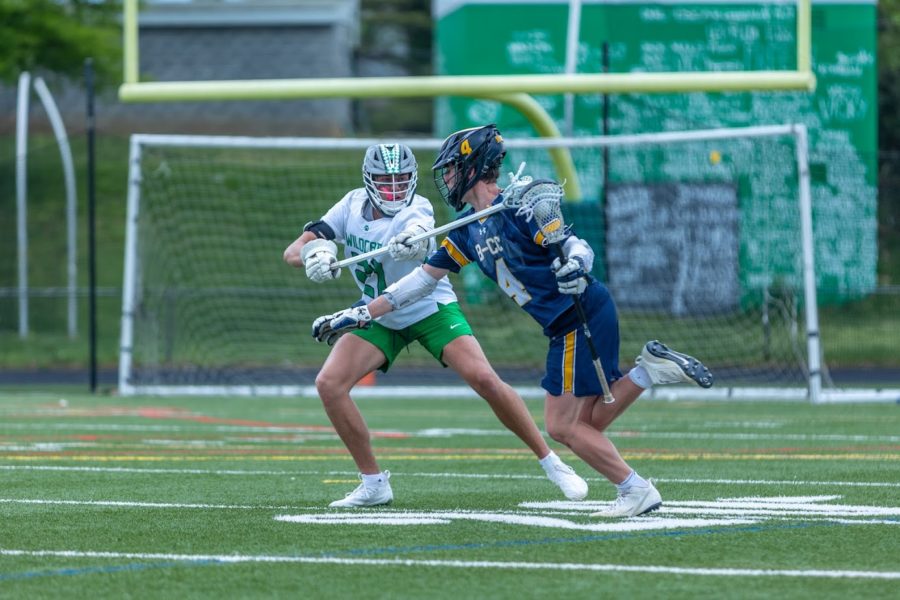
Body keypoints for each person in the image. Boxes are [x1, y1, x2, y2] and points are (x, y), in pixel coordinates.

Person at [311, 126, 714, 518]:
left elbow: (575, 243)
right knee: (589, 420)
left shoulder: (517, 206)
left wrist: (577, 263)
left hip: (578, 314)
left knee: (564, 427)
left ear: (473, 166)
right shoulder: (468, 227)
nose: (447, 177)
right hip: (565, 323)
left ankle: (636, 489)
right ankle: (648, 372)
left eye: (451, 168)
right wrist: (363, 312)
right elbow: (419, 282)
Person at [284, 142, 588, 508]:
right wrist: (316, 253)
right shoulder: (350, 205)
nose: (394, 188)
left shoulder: (419, 207)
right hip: (377, 313)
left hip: (428, 306)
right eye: (384, 180)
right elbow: (294, 250)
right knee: (329, 384)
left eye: (401, 180)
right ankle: (373, 482)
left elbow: (419, 235)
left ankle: (550, 461)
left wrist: (411, 243)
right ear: (368, 181)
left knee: (485, 379)